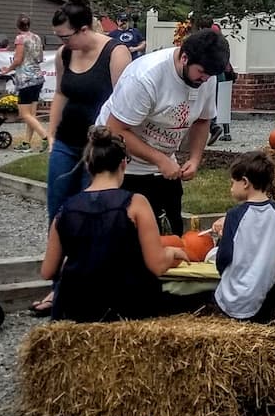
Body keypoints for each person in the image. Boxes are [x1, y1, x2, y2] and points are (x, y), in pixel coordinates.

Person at [32, 0, 131, 315]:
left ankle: (91, 287)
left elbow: (123, 102)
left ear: (85, 28)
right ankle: (57, 289)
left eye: (66, 36)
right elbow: (61, 92)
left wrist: (114, 145)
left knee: (96, 214)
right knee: (59, 212)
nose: (62, 43)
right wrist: (51, 134)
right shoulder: (65, 54)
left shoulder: (115, 53)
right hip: (66, 142)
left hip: (98, 147)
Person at [41, 128, 189, 323]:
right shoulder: (136, 203)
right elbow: (157, 265)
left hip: (77, 309)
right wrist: (172, 252)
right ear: (123, 164)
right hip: (127, 308)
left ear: (88, 165)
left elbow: (47, 271)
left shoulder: (66, 210)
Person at [97, 27, 231, 235]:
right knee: (131, 238)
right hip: (123, 164)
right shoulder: (145, 77)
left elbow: (202, 122)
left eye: (210, 76)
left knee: (171, 231)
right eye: (202, 73)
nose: (205, 80)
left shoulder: (207, 76)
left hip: (164, 162)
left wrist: (194, 159)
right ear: (184, 57)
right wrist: (160, 160)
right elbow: (114, 129)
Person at [207, 153, 275, 321]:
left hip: (232, 295)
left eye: (232, 183)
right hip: (264, 294)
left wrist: (222, 268)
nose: (231, 188)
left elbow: (225, 255)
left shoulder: (234, 215)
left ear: (245, 183)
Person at [3, 14, 47, 151]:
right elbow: (40, 57)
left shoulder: (20, 39)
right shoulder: (36, 37)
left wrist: (7, 69)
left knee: (24, 114)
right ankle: (26, 143)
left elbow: (17, 59)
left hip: (25, 78)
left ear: (17, 26)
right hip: (38, 77)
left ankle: (46, 137)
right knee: (32, 115)